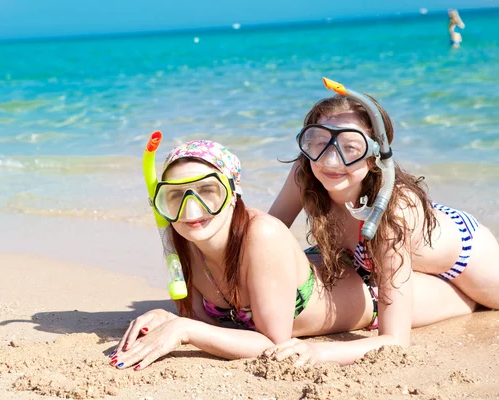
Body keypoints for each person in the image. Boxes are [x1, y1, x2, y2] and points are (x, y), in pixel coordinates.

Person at [108, 139, 477, 371]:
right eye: (176, 196)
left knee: (481, 301)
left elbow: (273, 343)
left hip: (372, 293)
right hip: (330, 263)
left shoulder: (262, 233)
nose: (191, 210)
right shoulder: (183, 239)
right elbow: (215, 324)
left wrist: (186, 329)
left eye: (208, 192)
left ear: (233, 193)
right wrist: (169, 316)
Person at [266, 86, 499, 365]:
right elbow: (269, 236)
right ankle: (460, 301)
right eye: (319, 141)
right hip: (389, 266)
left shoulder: (393, 214)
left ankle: (467, 299)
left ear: (377, 154)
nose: (330, 159)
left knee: (491, 303)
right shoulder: (305, 172)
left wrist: (319, 352)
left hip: (466, 258)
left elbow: (395, 341)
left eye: (351, 147)